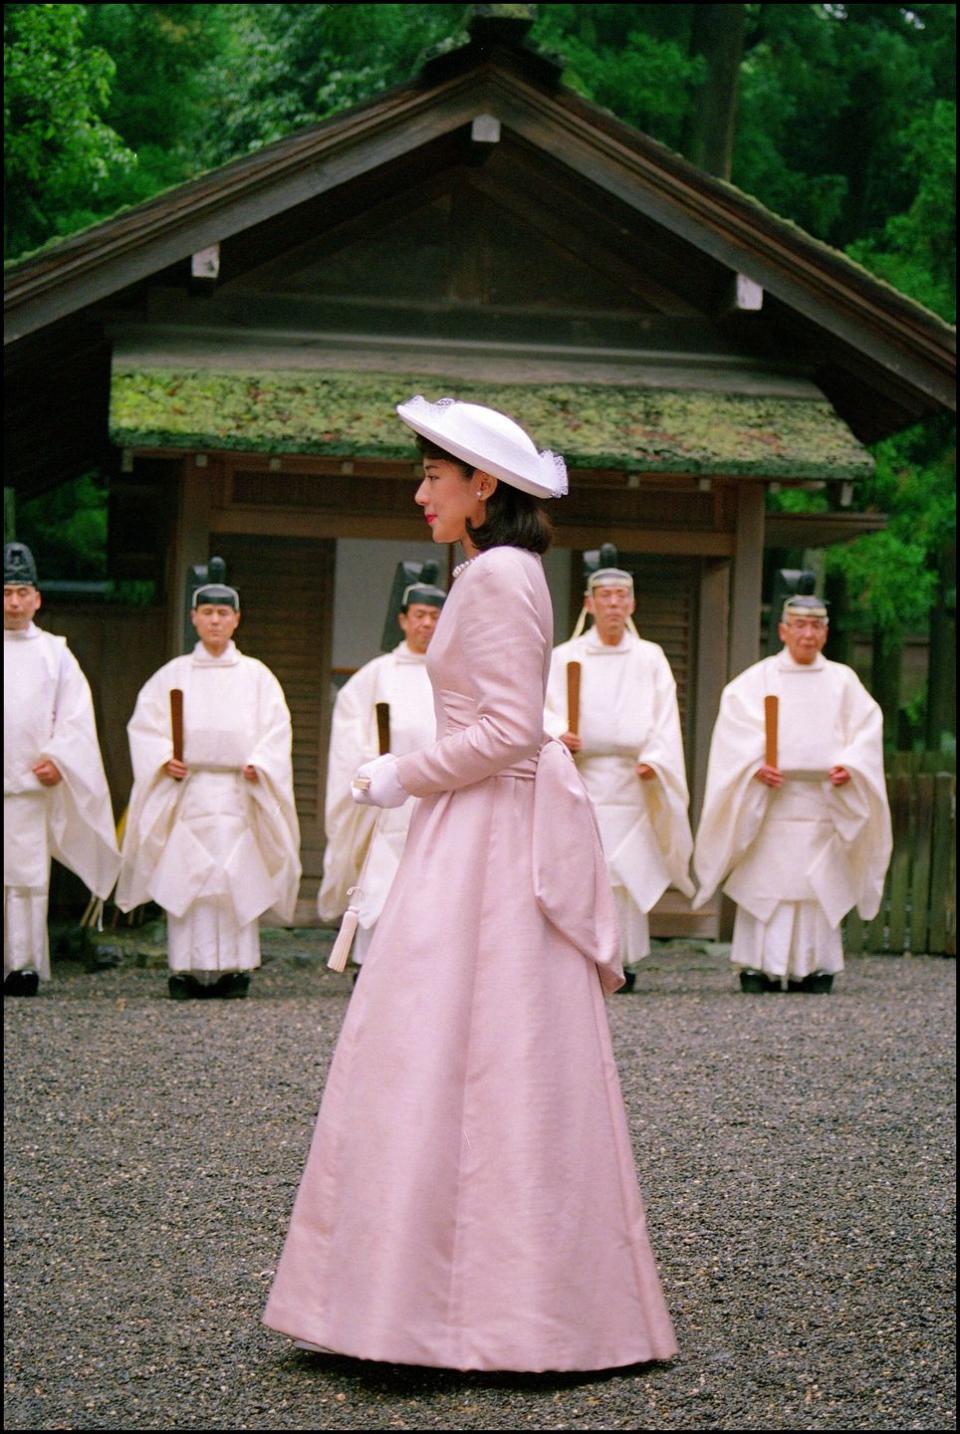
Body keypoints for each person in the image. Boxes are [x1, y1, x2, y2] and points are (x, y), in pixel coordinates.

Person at [264, 397, 677, 1372]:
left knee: (451, 1044)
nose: (419, 493)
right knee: (479, 1053)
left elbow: (500, 732)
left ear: (482, 486)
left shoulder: (496, 576)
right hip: (484, 822)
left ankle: (446, 1311)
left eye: (433, 477)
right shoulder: (506, 571)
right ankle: (470, 1303)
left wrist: (396, 775)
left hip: (486, 834)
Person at [115, 567, 300, 999]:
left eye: (223, 612)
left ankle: (235, 969)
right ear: (194, 618)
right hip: (191, 792)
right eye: (207, 612)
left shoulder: (257, 676)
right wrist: (164, 760)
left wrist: (260, 762)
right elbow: (145, 727)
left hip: (239, 792)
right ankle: (188, 969)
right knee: (191, 877)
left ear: (237, 619)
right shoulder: (172, 675)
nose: (215, 620)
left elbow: (277, 730)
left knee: (237, 875)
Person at [692, 594, 892, 993]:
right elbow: (735, 734)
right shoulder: (755, 681)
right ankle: (758, 965)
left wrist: (850, 765)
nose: (807, 633)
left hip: (824, 801)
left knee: (818, 884)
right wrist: (753, 766)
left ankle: (817, 966)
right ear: (783, 630)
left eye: (816, 625)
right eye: (799, 624)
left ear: (826, 632)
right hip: (772, 803)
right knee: (768, 881)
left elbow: (866, 732)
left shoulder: (843, 681)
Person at [545, 556, 693, 988]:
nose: (613, 604)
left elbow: (666, 716)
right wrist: (558, 734)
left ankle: (623, 958)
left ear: (633, 605)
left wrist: (656, 757)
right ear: (589, 604)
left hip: (632, 781)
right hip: (583, 777)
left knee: (625, 873)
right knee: (585, 868)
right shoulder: (565, 657)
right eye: (605, 596)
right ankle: (584, 953)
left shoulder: (651, 657)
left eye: (621, 596)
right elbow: (544, 709)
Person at [3, 542, 121, 996]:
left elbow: (75, 717)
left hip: (32, 786)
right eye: (6, 591)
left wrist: (58, 758)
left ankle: (23, 965)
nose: (14, 601)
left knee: (28, 879)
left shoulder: (56, 654)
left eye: (22, 592)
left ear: (37, 598)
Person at [317, 569, 445, 971]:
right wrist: (376, 774)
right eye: (420, 615)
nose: (427, 623)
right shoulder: (375, 675)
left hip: (438, 797)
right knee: (382, 883)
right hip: (390, 803)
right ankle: (372, 968)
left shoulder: (454, 673)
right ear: (404, 619)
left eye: (435, 616)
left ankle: (425, 970)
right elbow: (350, 738)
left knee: (434, 886)